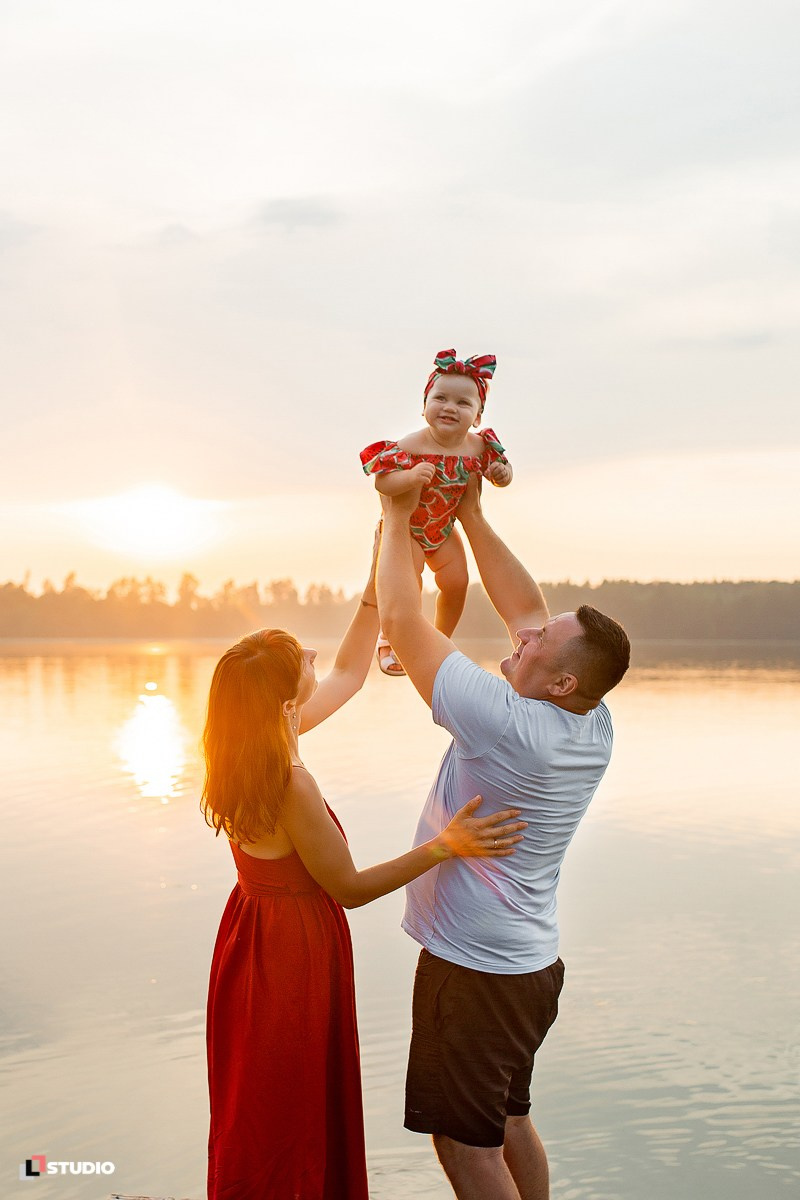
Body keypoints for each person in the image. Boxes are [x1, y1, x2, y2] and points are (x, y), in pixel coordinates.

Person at [202, 558, 526, 1200]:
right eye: (303, 659)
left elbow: (351, 672)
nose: (316, 653)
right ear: (288, 700)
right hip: (291, 953)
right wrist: (445, 846)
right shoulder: (290, 782)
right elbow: (347, 889)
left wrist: (380, 581)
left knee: (260, 1091)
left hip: (249, 942)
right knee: (290, 1097)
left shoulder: (246, 743)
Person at [376, 475, 631, 1200]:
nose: (524, 636)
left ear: (561, 681)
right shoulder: (591, 719)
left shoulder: (505, 721)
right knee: (510, 1122)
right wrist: (473, 514)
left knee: (465, 1145)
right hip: (528, 968)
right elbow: (525, 607)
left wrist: (397, 515)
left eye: (540, 643)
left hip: (476, 972)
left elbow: (400, 616)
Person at [360, 348, 513, 675]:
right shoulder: (411, 446)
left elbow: (501, 469)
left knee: (457, 581)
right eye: (440, 398)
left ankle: (441, 637)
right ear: (424, 405)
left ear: (478, 417)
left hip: (442, 529)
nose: (449, 407)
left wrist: (503, 475)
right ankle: (391, 637)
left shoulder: (478, 447)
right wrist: (409, 477)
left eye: (463, 403)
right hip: (406, 533)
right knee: (406, 586)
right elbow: (382, 483)